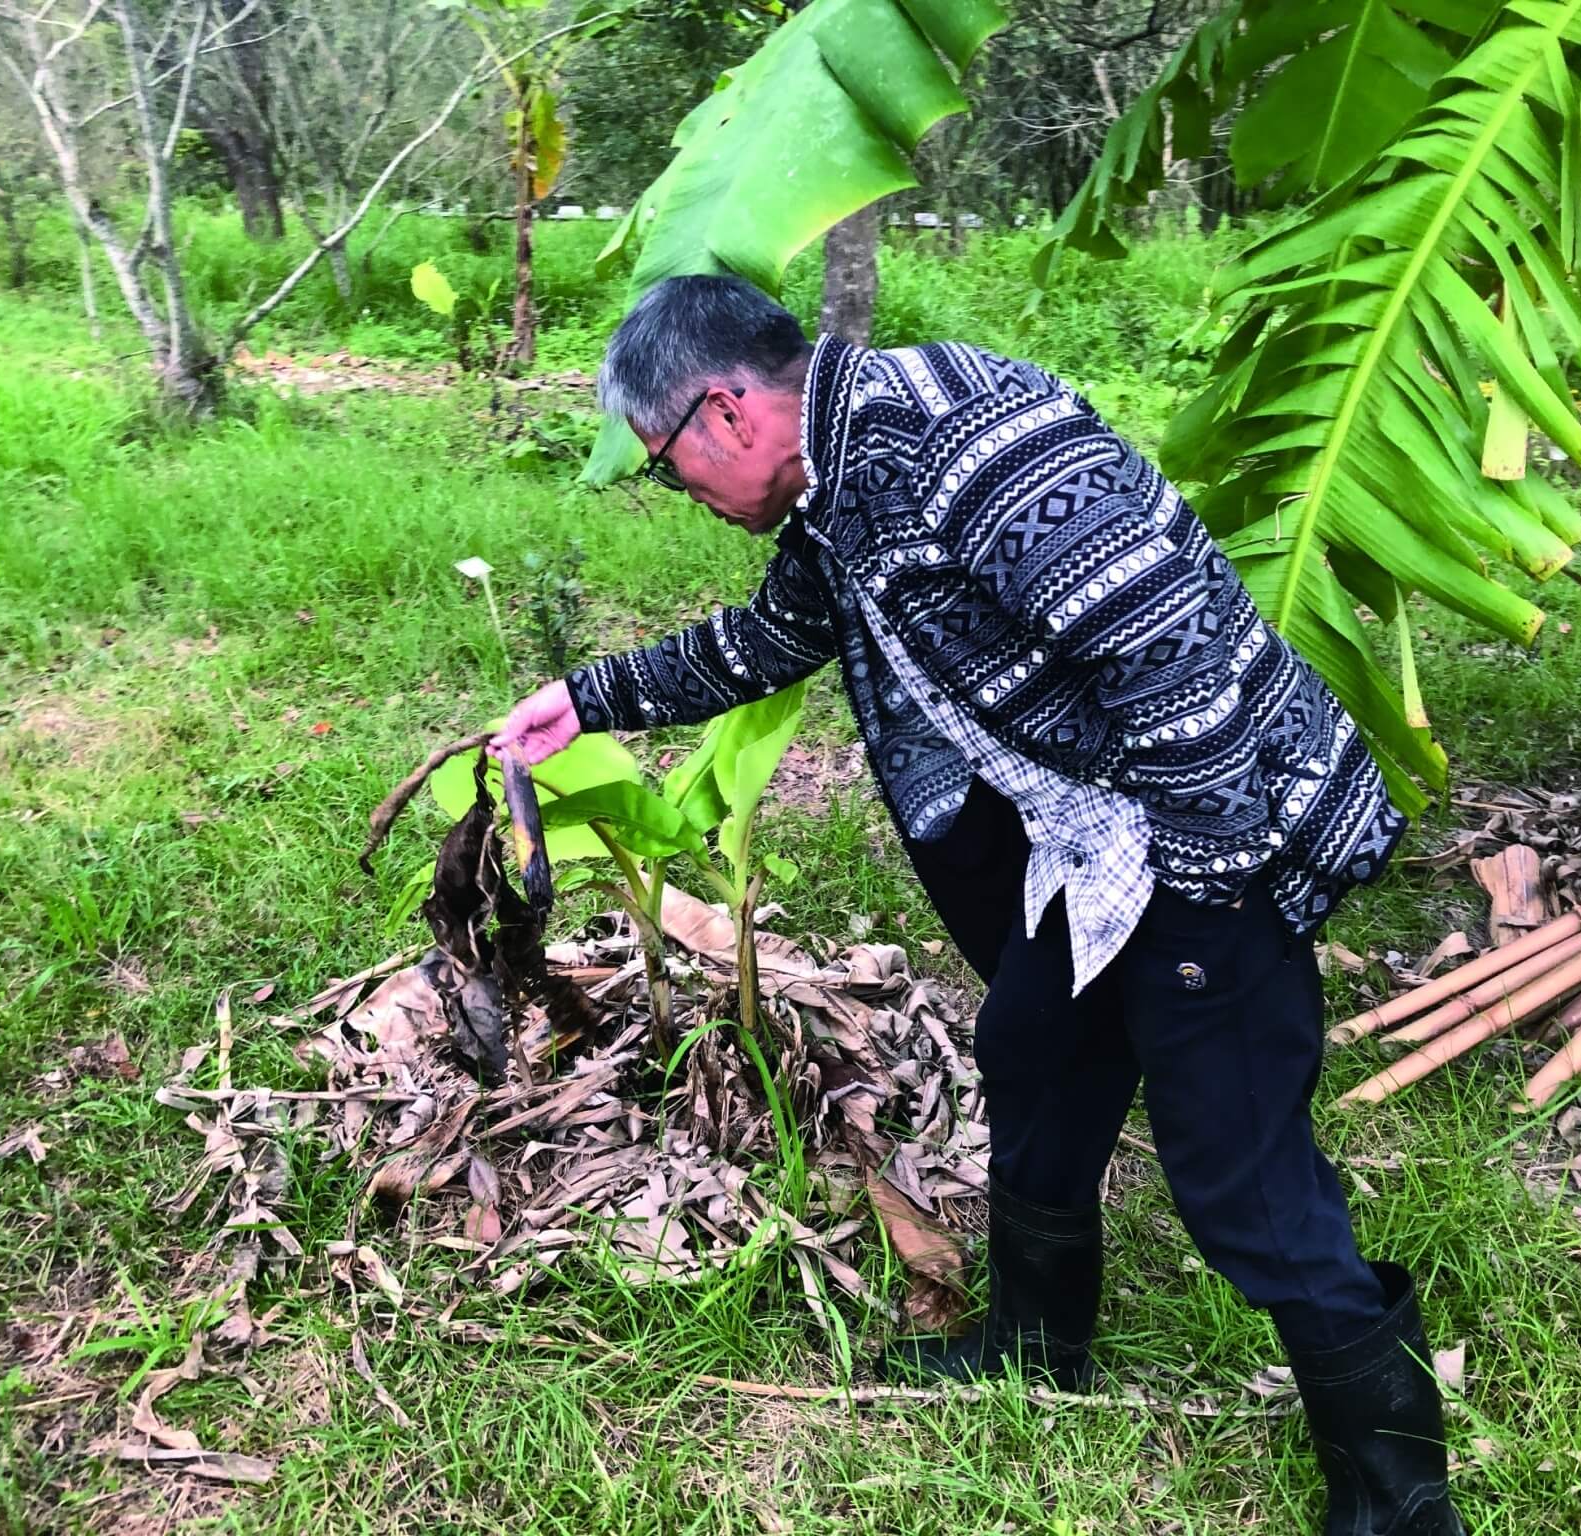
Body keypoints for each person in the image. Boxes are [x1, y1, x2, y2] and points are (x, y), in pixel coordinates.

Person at [493, 273, 1464, 1536]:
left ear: (724, 414)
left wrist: (1206, 914)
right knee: (1030, 1045)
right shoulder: (838, 485)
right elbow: (773, 638)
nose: (679, 493)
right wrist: (590, 699)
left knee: (1238, 1169)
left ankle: (1400, 1499)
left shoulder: (968, 442)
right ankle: (1034, 1348)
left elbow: (1170, 662)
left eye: (668, 467)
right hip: (1099, 832)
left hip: (1212, 825)